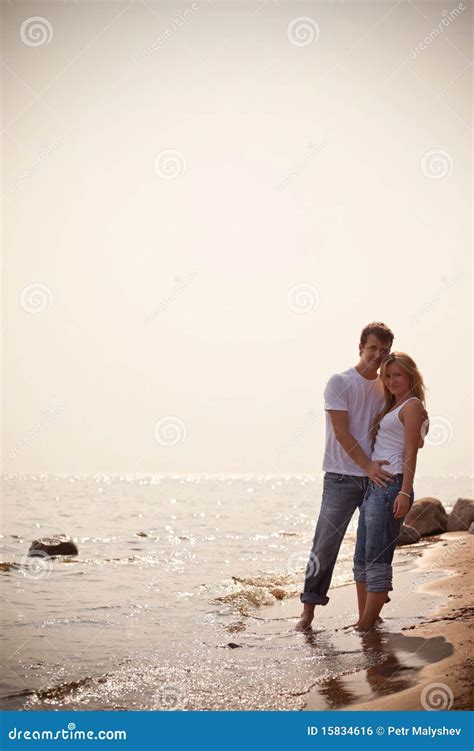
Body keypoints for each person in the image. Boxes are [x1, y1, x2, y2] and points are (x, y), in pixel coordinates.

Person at [295, 323, 427, 632]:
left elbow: (408, 421)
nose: (377, 356)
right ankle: (308, 613)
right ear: (360, 347)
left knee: (371, 550)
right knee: (325, 545)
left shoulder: (387, 386)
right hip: (342, 478)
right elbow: (341, 433)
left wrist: (422, 426)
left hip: (379, 481)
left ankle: (369, 616)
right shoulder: (339, 383)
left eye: (383, 351)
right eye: (372, 349)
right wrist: (367, 465)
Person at [350, 352, 426, 631]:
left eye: (398, 375)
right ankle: (367, 618)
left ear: (410, 377)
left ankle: (365, 624)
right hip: (375, 487)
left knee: (377, 559)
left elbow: (410, 452)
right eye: (388, 375)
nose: (392, 380)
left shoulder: (412, 405)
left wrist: (405, 491)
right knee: (361, 558)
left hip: (393, 485)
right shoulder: (393, 406)